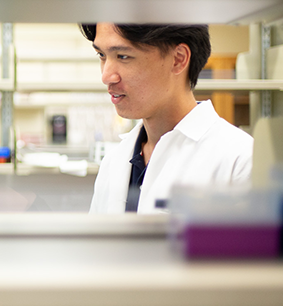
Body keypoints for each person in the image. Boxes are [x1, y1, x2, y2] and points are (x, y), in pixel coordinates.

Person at [81, 23, 252, 214]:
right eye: (102, 56)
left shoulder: (240, 161)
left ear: (178, 59)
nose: (106, 76)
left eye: (123, 56)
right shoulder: (114, 161)